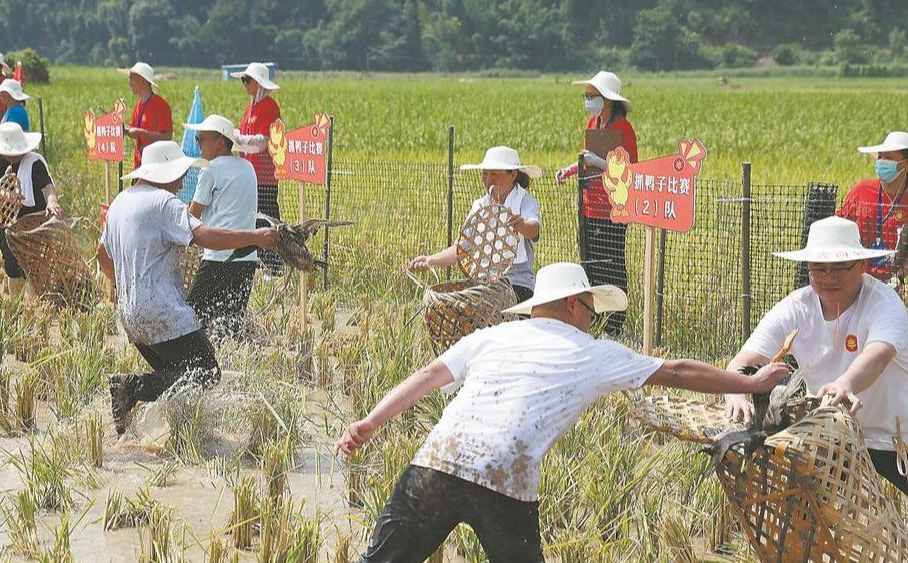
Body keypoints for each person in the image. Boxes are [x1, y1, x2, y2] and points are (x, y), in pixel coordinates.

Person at [336, 262, 790, 562]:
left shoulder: (494, 336)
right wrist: (749, 383)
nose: (592, 320)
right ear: (574, 304)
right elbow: (676, 370)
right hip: (505, 476)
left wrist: (369, 423)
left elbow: (428, 375)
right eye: (591, 309)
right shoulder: (592, 351)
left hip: (437, 459)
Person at [97, 141, 279, 434]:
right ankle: (130, 386)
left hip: (130, 316)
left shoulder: (120, 202)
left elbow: (102, 255)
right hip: (162, 313)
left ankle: (171, 434)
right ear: (165, 173)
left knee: (175, 375)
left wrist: (119, 283)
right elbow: (205, 236)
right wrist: (254, 237)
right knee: (206, 373)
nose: (182, 183)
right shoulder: (162, 203)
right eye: (180, 175)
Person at [724, 216, 908, 495]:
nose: (828, 278)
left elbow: (878, 356)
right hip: (832, 436)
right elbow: (745, 360)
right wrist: (734, 390)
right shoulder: (797, 307)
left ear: (861, 266)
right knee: (804, 516)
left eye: (839, 268)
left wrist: (845, 383)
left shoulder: (884, 303)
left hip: (896, 440)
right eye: (818, 269)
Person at [556, 70, 638, 336]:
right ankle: (596, 319)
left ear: (607, 99)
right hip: (591, 205)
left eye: (592, 96)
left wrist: (597, 162)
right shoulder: (593, 123)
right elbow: (586, 158)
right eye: (587, 96)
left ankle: (615, 324)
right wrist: (570, 169)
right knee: (591, 264)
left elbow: (629, 170)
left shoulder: (624, 129)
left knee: (612, 264)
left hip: (615, 208)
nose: (588, 100)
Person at [409, 146, 542, 302]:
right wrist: (431, 260)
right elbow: (462, 248)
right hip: (483, 285)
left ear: (512, 175)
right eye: (485, 174)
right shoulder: (480, 206)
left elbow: (533, 228)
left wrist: (522, 225)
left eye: (494, 174)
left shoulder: (525, 202)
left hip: (518, 285)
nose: (488, 180)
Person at [184, 114, 259, 342]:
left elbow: (193, 214)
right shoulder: (248, 168)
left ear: (219, 142)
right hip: (247, 259)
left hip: (218, 258)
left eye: (201, 139)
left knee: (191, 319)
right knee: (230, 325)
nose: (198, 144)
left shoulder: (210, 169)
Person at [0, 122, 64, 295]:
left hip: (35, 222)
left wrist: (52, 201)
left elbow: (47, 185)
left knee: (35, 265)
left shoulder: (34, 162)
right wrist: (6, 195)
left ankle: (32, 309)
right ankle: (15, 306)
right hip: (8, 221)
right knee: (12, 265)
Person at [230, 62, 283, 275]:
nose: (244, 84)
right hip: (250, 174)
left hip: (265, 176)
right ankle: (260, 263)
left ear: (258, 83)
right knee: (254, 219)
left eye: (247, 80)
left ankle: (273, 266)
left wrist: (237, 138)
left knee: (268, 218)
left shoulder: (269, 107)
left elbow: (262, 141)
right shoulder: (250, 106)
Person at [837, 131, 908, 285]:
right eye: (880, 157)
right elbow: (839, 229)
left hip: (892, 282)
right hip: (855, 278)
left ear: (905, 164)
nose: (882, 162)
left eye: (888, 158)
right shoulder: (861, 190)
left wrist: (899, 277)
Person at [121, 62, 172, 169]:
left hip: (156, 169)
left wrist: (141, 133)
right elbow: (134, 128)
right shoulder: (138, 105)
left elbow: (167, 137)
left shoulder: (161, 106)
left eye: (132, 79)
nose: (129, 83)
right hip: (139, 167)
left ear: (142, 80)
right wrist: (121, 127)